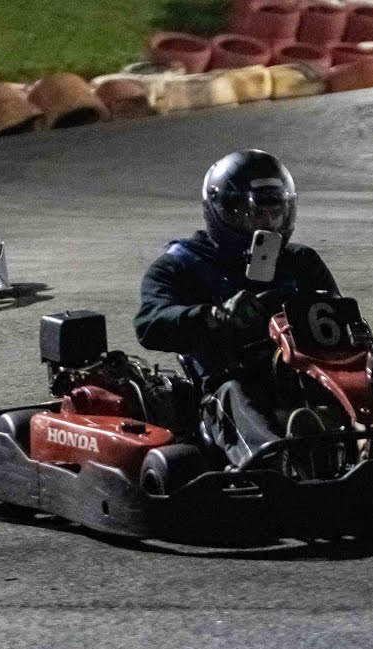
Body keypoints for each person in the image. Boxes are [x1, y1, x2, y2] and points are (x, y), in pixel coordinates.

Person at [133, 149, 342, 465]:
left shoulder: (301, 261)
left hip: (305, 372)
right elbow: (149, 323)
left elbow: (338, 319)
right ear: (223, 212)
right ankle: (276, 462)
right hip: (229, 381)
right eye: (255, 214)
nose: (269, 224)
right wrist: (214, 317)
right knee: (233, 392)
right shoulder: (181, 266)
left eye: (277, 213)